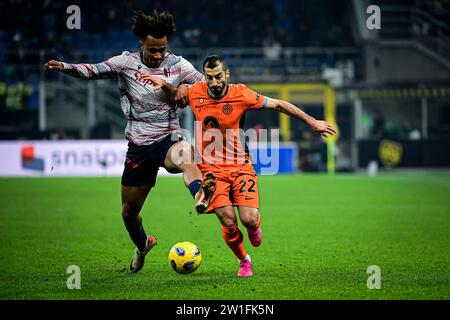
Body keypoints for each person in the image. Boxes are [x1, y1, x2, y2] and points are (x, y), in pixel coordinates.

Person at [44, 10, 216, 273]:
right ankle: (142, 245)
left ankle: (200, 194)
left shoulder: (179, 65)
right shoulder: (126, 63)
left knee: (185, 153)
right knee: (128, 213)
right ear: (141, 45)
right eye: (153, 49)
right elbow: (94, 71)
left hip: (168, 137)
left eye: (162, 49)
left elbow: (209, 88)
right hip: (138, 146)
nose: (158, 55)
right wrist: (65, 67)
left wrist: (186, 88)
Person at [140, 55, 336, 277]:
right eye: (210, 77)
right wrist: (165, 86)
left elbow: (279, 105)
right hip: (212, 170)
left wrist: (312, 122)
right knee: (227, 218)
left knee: (248, 219)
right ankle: (244, 260)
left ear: (227, 74)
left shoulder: (241, 94)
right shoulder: (195, 92)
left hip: (240, 166)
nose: (214, 83)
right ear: (204, 76)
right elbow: (176, 95)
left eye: (219, 77)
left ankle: (254, 225)